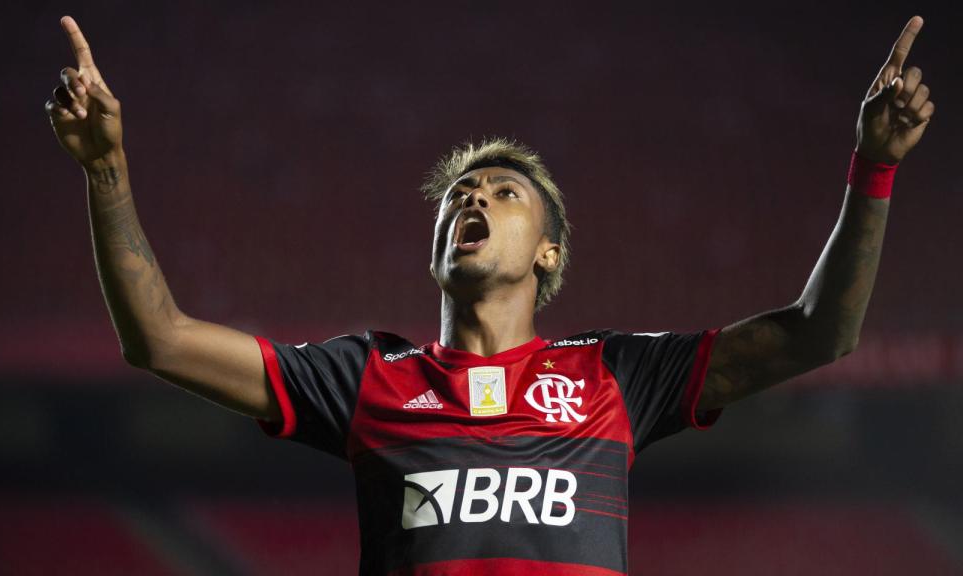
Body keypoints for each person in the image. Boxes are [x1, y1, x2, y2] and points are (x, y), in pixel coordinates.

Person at [45, 14, 934, 575]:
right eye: (458, 196)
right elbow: (158, 339)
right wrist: (106, 169)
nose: (472, 199)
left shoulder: (615, 376)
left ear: (548, 252)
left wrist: (875, 167)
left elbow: (819, 333)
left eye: (504, 193)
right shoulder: (368, 376)